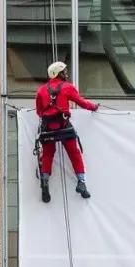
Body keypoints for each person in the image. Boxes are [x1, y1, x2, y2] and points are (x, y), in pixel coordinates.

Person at [35, 61, 97, 202]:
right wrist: (94, 107)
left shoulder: (41, 90)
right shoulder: (67, 87)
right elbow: (81, 102)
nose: (66, 74)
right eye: (64, 72)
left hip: (48, 128)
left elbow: (39, 111)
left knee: (48, 155)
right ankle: (81, 182)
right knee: (74, 153)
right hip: (63, 127)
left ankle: (45, 182)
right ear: (59, 73)